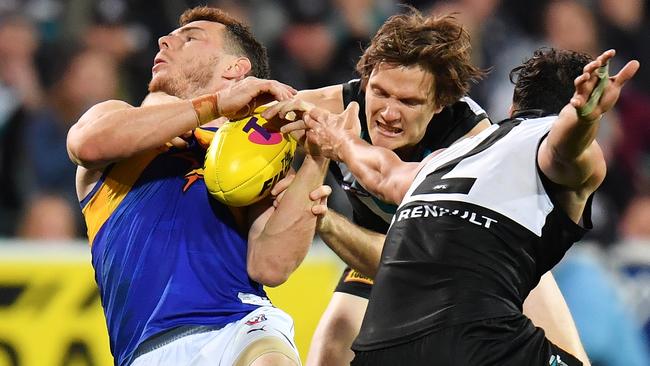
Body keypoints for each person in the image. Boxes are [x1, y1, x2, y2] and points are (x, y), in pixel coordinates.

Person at [264, 9, 584, 366]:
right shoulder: (330, 108)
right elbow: (246, 120)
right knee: (333, 344)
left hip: (482, 253)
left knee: (571, 359)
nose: (387, 112)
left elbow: (416, 231)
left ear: (440, 103)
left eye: (408, 101)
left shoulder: (472, 138)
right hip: (389, 241)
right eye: (380, 93)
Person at [66, 6, 329, 366]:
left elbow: (271, 266)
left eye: (190, 38)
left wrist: (317, 160)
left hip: (238, 321)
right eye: (171, 37)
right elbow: (87, 145)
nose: (165, 40)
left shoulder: (258, 156)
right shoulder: (116, 116)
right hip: (146, 348)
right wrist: (214, 105)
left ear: (234, 68)